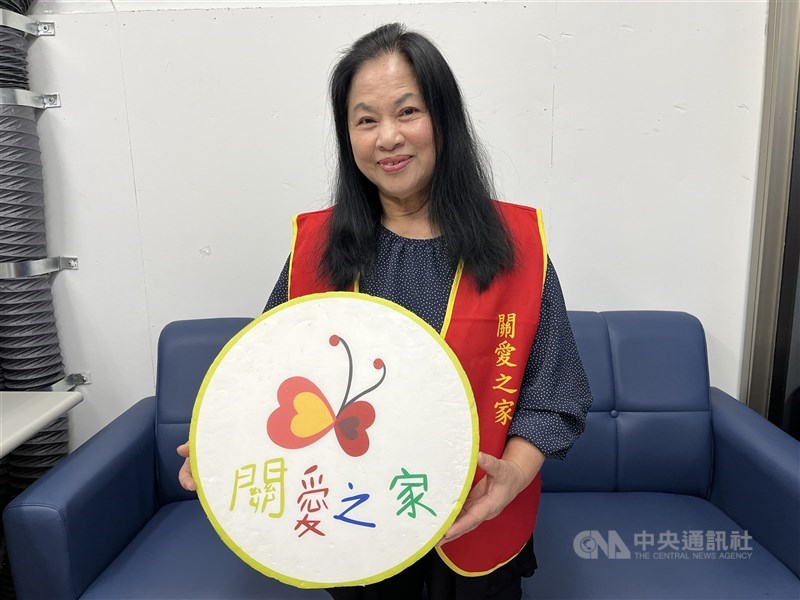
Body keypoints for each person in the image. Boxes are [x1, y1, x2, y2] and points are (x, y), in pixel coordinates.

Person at [178, 22, 592, 600]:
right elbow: (266, 373)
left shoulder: (518, 244)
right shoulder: (316, 248)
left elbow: (554, 395)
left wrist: (514, 476)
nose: (389, 137)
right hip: (352, 518)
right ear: (348, 136)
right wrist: (224, 444)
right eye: (366, 120)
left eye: (408, 112)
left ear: (443, 119)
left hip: (475, 523)